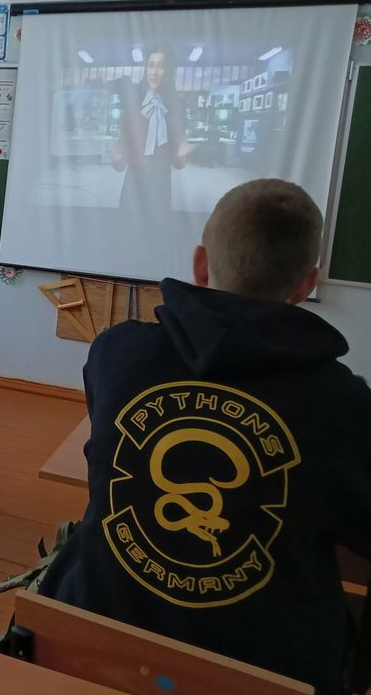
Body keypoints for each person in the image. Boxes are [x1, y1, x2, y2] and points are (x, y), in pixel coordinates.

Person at [37, 179, 371, 694]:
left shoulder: (116, 352)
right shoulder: (345, 406)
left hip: (91, 649)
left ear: (200, 264)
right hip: (269, 675)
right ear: (307, 285)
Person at [111, 45, 194, 210]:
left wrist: (181, 155)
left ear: (168, 71)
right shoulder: (134, 103)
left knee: (158, 225)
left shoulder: (176, 106)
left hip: (161, 182)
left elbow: (178, 162)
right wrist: (117, 157)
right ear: (146, 69)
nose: (155, 72)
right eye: (151, 65)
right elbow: (120, 157)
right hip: (134, 181)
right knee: (127, 224)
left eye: (161, 66)